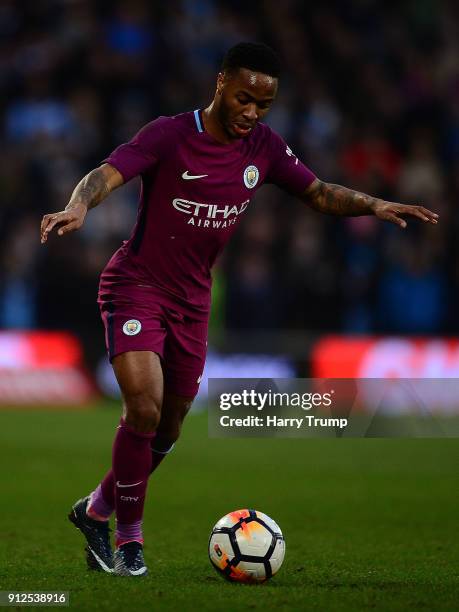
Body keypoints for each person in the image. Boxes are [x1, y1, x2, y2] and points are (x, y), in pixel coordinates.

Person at [40, 42, 438, 577]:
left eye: (263, 105)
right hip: (136, 284)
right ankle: (129, 540)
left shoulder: (265, 148)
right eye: (244, 98)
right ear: (222, 83)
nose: (252, 112)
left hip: (193, 300)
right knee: (144, 407)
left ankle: (95, 511)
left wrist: (373, 203)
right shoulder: (170, 134)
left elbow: (317, 192)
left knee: (170, 428)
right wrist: (77, 206)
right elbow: (107, 173)